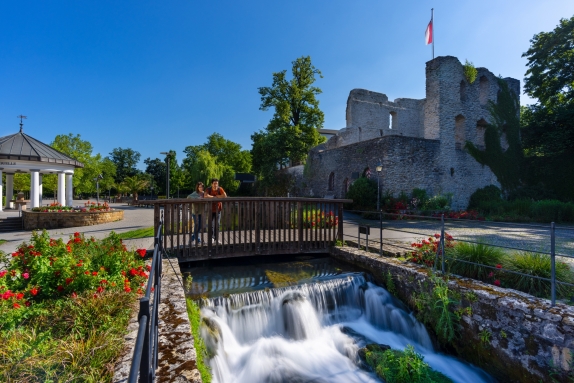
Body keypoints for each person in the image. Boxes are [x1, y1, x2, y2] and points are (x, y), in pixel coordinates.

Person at [204, 178, 227, 243]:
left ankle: (217, 239)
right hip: (210, 209)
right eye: (214, 183)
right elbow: (205, 196)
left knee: (217, 224)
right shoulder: (208, 189)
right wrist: (214, 197)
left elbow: (225, 196)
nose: (215, 185)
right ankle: (212, 238)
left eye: (216, 183)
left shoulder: (220, 189)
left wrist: (215, 196)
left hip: (218, 209)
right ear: (211, 184)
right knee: (210, 224)